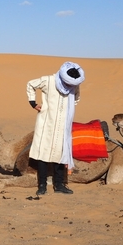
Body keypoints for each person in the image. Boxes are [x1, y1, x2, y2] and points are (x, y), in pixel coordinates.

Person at [27, 61, 85, 196]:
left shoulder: (74, 84)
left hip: (63, 124)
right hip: (46, 122)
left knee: (61, 153)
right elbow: (31, 84)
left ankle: (59, 184)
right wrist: (33, 103)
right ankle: (42, 185)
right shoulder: (48, 80)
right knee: (43, 153)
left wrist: (68, 108)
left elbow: (76, 98)